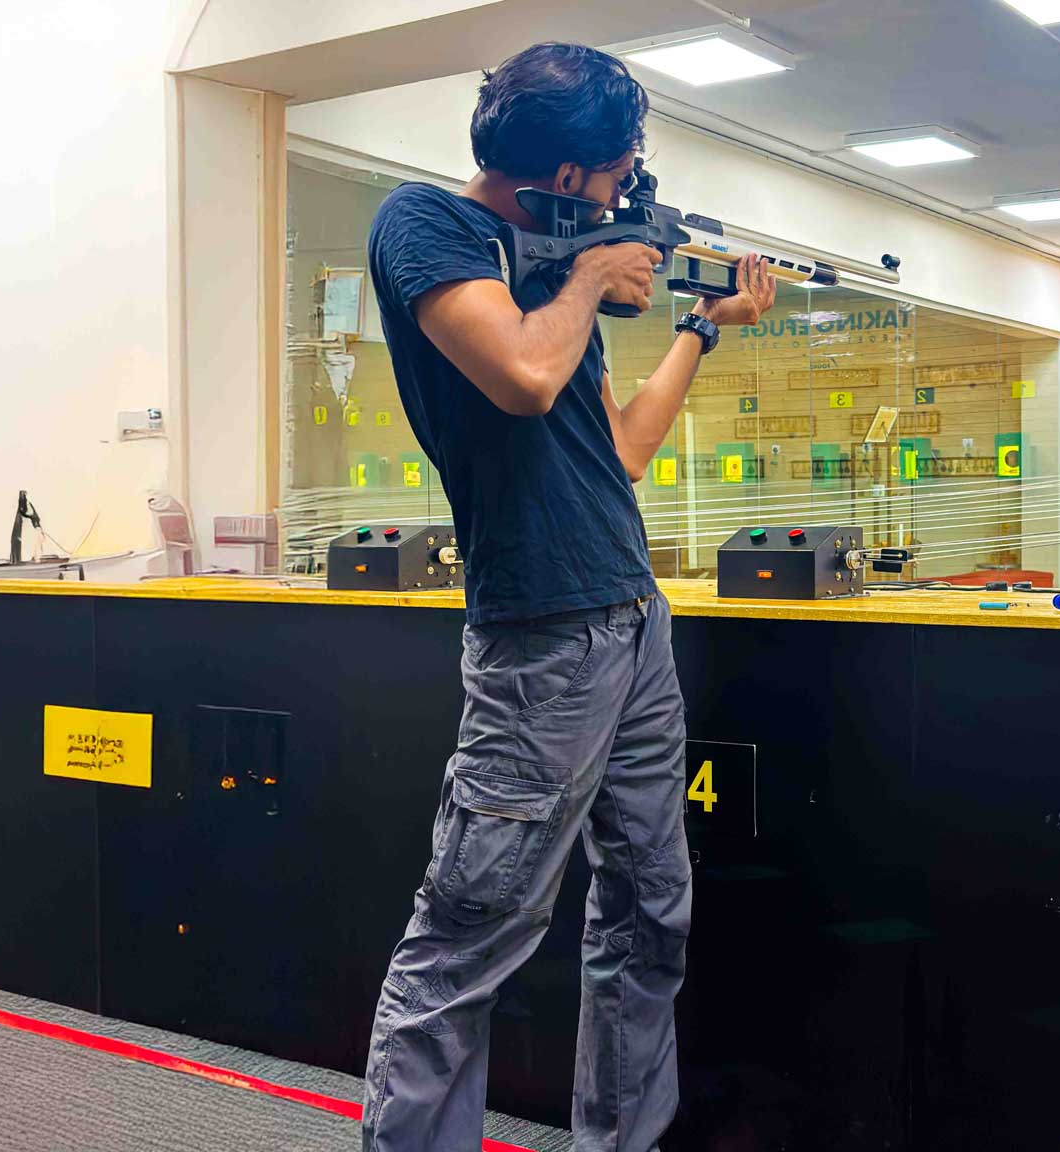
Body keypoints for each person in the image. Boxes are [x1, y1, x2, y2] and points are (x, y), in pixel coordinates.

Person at [359, 41, 777, 1152]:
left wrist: (696, 328)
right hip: (541, 635)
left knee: (648, 914)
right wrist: (594, 273)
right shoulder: (427, 226)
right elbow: (521, 376)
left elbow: (621, 451)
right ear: (577, 172)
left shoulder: (548, 274)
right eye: (621, 169)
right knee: (467, 934)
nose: (627, 187)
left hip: (629, 623)